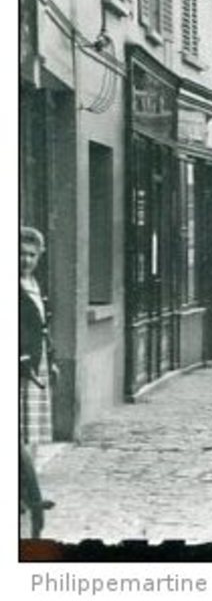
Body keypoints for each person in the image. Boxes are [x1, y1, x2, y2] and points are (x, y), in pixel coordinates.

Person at [20, 226, 54, 534]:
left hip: (37, 363)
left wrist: (51, 360)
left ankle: (27, 493)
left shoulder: (33, 283)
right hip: (21, 366)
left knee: (30, 429)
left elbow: (43, 326)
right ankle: (29, 495)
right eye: (21, 253)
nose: (26, 260)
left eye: (32, 254)